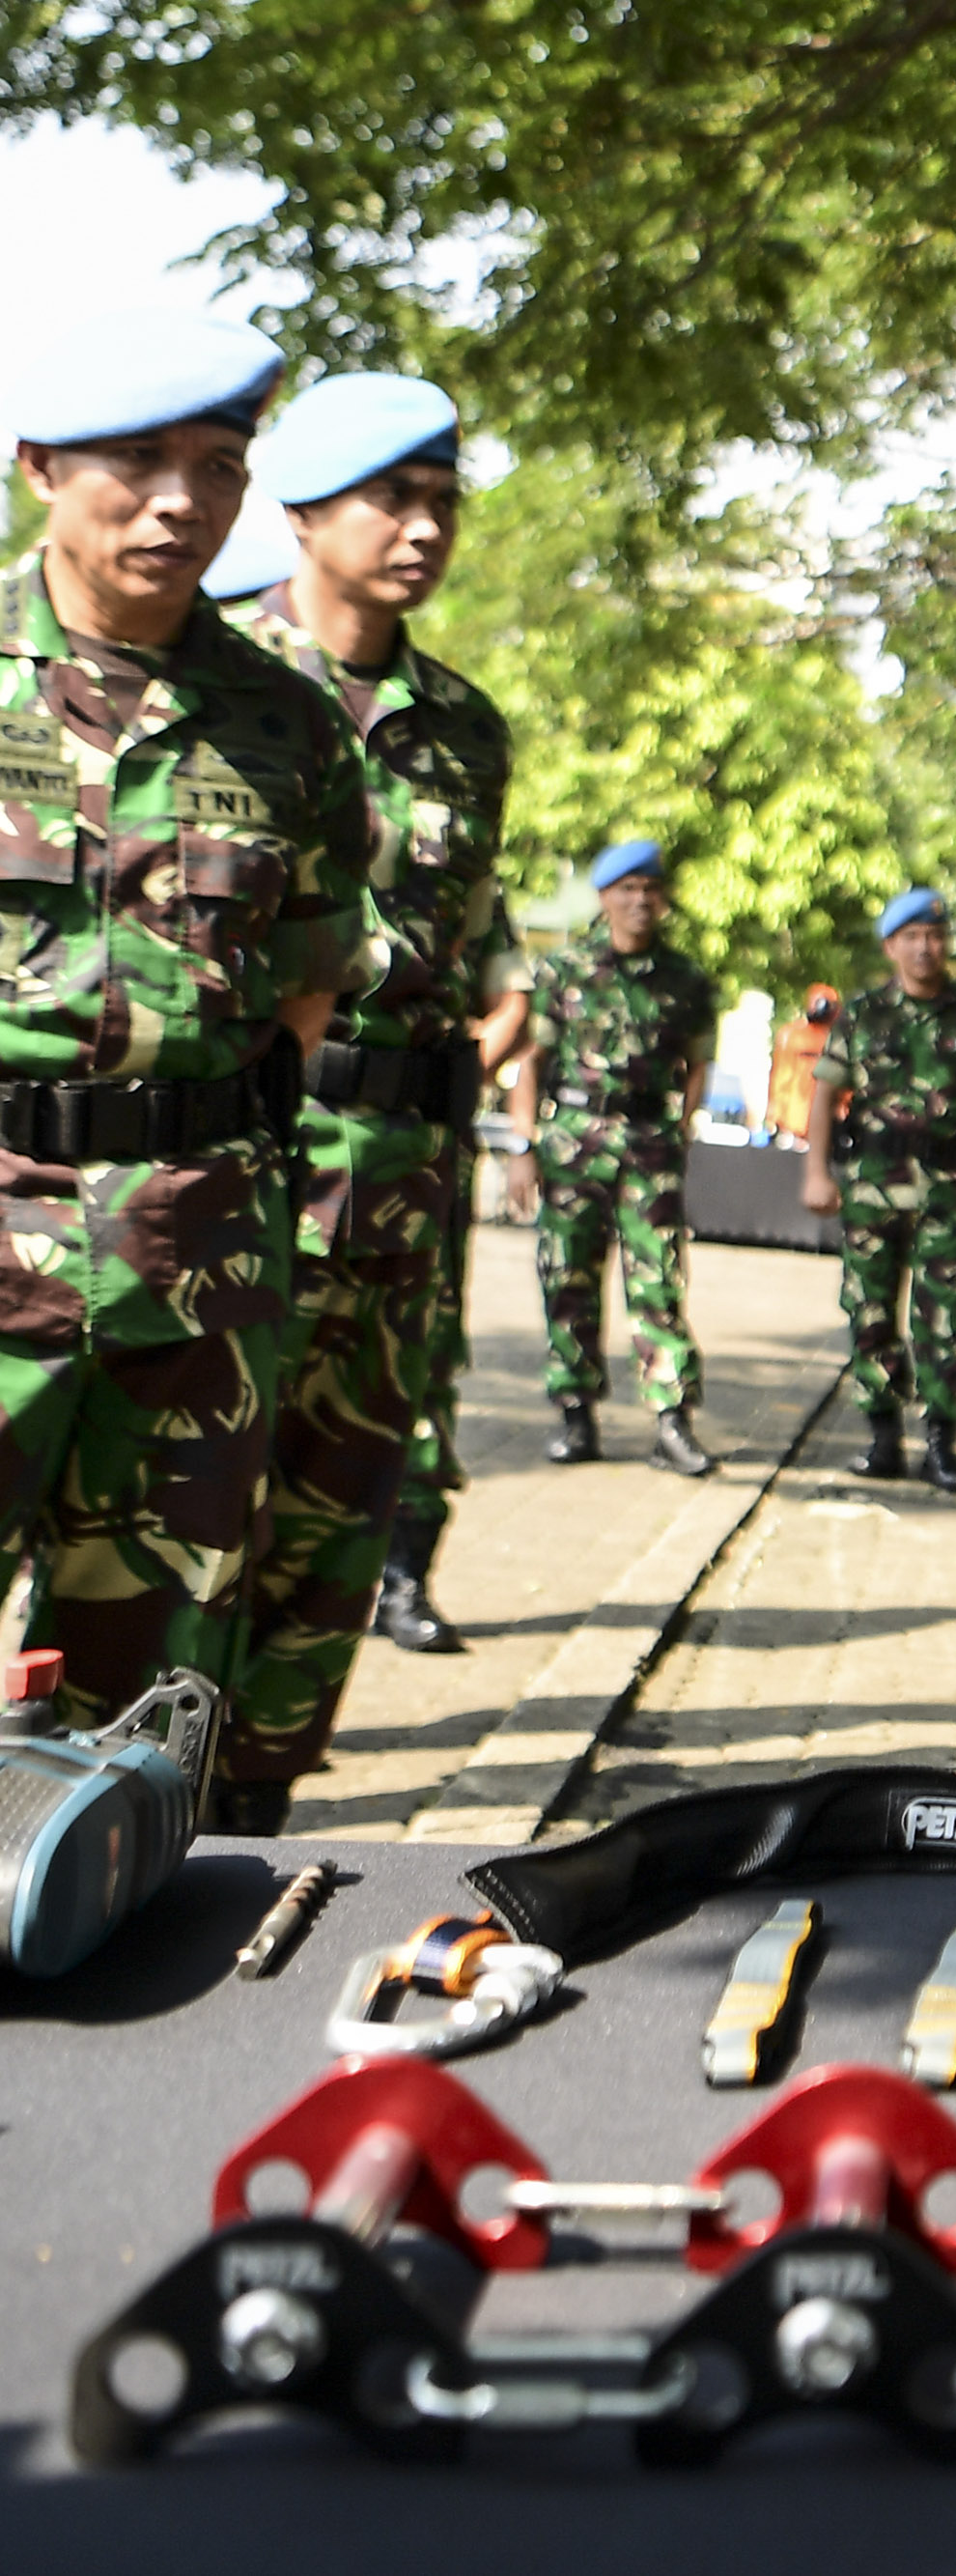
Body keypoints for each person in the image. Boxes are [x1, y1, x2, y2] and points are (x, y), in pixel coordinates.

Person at [0, 313, 373, 1786]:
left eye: (216, 467)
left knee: (140, 1708)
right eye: (138, 462)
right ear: (37, 468)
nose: (181, 501)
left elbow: (307, 989)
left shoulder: (284, 721)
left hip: (193, 1268)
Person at [219, 374, 528, 1780]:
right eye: (390, 499)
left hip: (401, 1188)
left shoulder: (465, 724)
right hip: (239, 1168)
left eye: (442, 504)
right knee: (183, 1515)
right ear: (302, 513)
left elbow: (466, 938)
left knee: (338, 1525)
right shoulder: (217, 683)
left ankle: (257, 1815)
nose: (422, 530)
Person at [802, 886, 956, 1494]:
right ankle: (882, 1436)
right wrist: (816, 1172)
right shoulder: (865, 1014)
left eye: (936, 935)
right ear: (892, 945)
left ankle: (942, 1444)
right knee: (869, 1312)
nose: (926, 947)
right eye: (913, 937)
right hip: (871, 1187)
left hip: (947, 1190)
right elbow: (824, 1094)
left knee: (945, 1319)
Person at [522, 837, 718, 1473]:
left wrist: (682, 1127)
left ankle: (671, 1420)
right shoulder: (563, 970)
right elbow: (533, 1061)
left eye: (650, 890)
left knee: (658, 1281)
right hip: (572, 1137)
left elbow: (698, 1061)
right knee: (567, 1277)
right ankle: (576, 1416)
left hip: (648, 1143)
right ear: (604, 897)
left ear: (663, 900)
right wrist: (524, 1146)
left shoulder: (687, 980)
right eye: (626, 890)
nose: (640, 900)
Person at [765, 984, 838, 1142]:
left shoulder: (836, 1038)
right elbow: (781, 1075)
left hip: (822, 1120)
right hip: (791, 1119)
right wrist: (774, 1113)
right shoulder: (792, 1035)